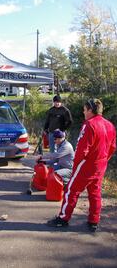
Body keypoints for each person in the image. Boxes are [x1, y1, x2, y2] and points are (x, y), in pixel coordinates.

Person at [47, 98, 116, 232]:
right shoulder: (110, 125)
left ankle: (63, 219)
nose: (83, 113)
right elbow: (112, 147)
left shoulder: (89, 124)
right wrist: (104, 160)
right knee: (95, 193)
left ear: (90, 110)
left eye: (84, 110)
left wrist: (75, 166)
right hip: (101, 165)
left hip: (87, 164)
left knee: (71, 190)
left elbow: (81, 149)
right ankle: (93, 221)